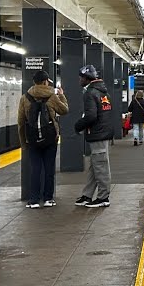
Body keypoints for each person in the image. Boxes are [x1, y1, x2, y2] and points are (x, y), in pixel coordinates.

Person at [17, 70, 69, 209]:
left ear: (34, 82)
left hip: (32, 139)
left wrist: (23, 143)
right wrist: (62, 96)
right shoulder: (52, 96)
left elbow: (21, 122)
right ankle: (48, 199)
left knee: (35, 169)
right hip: (50, 138)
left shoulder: (25, 98)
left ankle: (33, 200)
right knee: (49, 169)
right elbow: (64, 110)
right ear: (46, 81)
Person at [73, 64, 116, 208]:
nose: (79, 80)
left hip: (98, 133)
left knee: (101, 166)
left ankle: (103, 197)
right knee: (95, 166)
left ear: (87, 78)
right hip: (103, 132)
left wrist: (78, 126)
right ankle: (87, 195)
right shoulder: (103, 92)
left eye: (81, 77)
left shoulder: (90, 93)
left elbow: (91, 116)